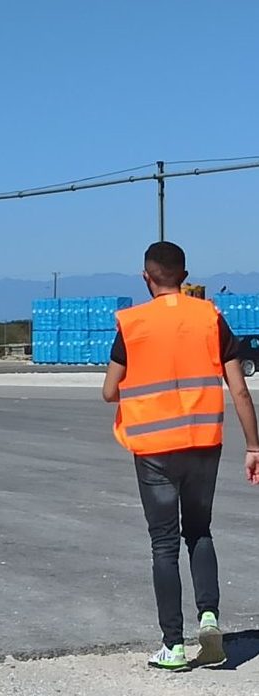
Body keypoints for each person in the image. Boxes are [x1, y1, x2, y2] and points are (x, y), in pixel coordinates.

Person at [102, 241, 259, 670]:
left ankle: (172, 646)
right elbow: (240, 390)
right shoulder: (209, 317)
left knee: (163, 544)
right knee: (200, 532)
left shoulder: (132, 324)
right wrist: (253, 446)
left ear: (146, 277)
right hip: (203, 444)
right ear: (185, 275)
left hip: (153, 449)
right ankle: (209, 616)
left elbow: (109, 390)